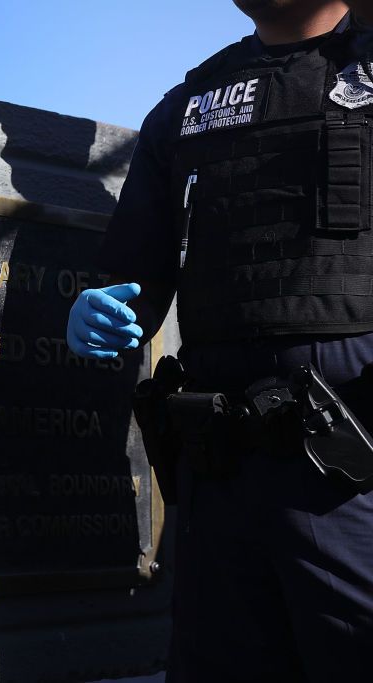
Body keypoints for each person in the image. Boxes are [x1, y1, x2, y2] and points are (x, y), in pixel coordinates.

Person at [66, 1, 373, 681]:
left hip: (350, 463)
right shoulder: (186, 106)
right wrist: (110, 311)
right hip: (219, 471)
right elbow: (137, 280)